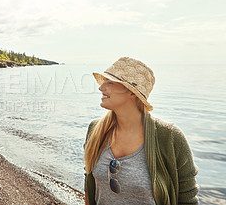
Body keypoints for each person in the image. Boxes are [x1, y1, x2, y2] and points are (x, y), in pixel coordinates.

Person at [84, 57, 199, 205]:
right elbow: (89, 184)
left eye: (110, 82)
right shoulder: (95, 130)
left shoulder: (170, 137)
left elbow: (187, 199)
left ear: (132, 92)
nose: (101, 88)